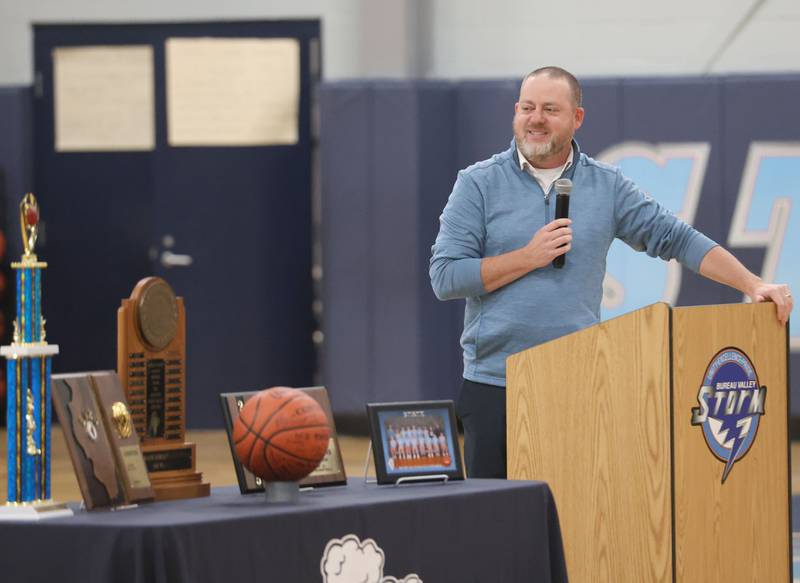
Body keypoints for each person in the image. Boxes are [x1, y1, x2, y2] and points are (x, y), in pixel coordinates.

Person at [429, 66, 794, 479]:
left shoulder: (607, 186)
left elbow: (677, 238)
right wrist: (528, 257)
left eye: (550, 109)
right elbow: (445, 277)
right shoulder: (477, 184)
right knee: (493, 523)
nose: (536, 119)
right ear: (516, 112)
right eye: (527, 108)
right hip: (495, 386)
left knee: (576, 523)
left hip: (580, 383)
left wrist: (753, 283)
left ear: (576, 118)